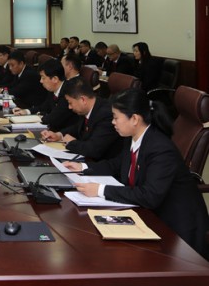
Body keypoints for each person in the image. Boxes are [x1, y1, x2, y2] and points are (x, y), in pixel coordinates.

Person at [64, 88, 209, 259]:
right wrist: (82, 167)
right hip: (149, 214)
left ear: (134, 119)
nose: (113, 122)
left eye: (116, 117)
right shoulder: (133, 138)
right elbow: (116, 165)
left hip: (177, 228)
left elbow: (150, 195)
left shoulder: (160, 148)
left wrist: (100, 190)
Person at [41, 77, 122, 161]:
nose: (69, 107)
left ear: (83, 100)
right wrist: (59, 135)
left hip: (101, 163)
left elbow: (93, 149)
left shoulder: (106, 115)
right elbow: (78, 127)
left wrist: (72, 143)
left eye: (70, 103)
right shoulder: (88, 108)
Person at [13, 59, 78, 132]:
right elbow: (44, 107)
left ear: (55, 79)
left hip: (64, 133)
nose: (41, 81)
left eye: (43, 78)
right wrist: (26, 111)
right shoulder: (52, 90)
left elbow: (54, 118)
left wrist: (37, 117)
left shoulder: (67, 93)